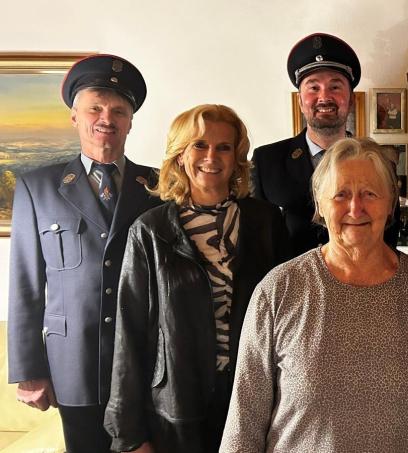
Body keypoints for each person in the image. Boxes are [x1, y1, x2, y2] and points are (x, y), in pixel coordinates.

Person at [221, 138, 408, 452]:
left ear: (390, 203)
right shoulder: (278, 291)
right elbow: (243, 427)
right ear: (320, 203)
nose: (355, 208)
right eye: (341, 194)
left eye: (369, 194)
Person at [100, 104, 289, 452]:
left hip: (254, 396)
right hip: (176, 406)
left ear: (237, 158)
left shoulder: (266, 222)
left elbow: (286, 320)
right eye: (199, 145)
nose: (211, 156)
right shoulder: (150, 230)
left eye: (224, 147)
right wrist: (129, 433)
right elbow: (130, 330)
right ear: (180, 155)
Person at [6, 54, 160, 453]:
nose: (106, 118)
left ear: (130, 121)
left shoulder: (159, 186)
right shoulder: (37, 187)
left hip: (146, 361)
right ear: (75, 116)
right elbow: (25, 284)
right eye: (95, 107)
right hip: (72, 362)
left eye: (118, 110)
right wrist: (29, 369)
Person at [252, 33, 398, 257]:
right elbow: (257, 244)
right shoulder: (266, 162)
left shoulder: (380, 162)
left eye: (335, 87)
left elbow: (388, 239)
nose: (324, 97)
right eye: (313, 88)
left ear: (351, 100)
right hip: (288, 288)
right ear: (300, 101)